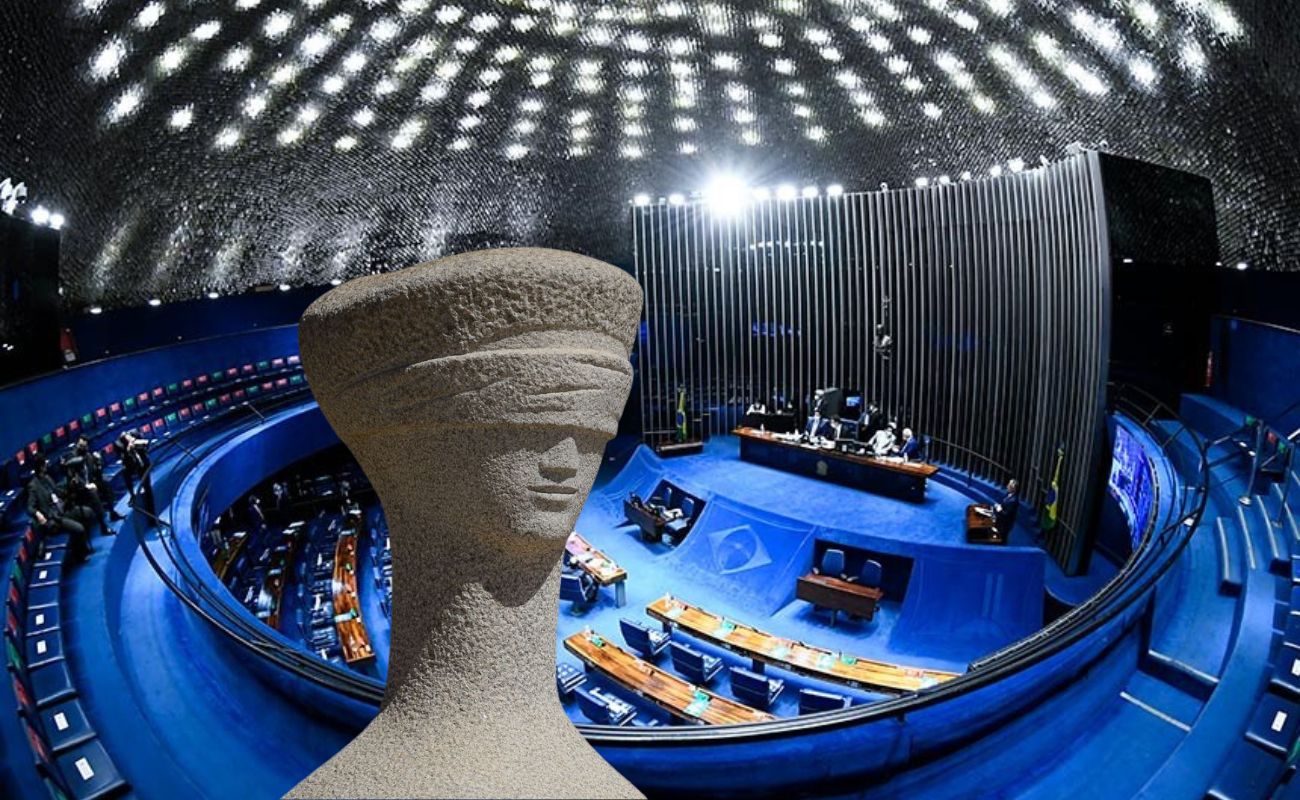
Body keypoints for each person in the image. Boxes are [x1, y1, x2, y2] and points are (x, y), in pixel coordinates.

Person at [26, 454, 93, 563]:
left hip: (63, 509)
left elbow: (58, 491)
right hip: (54, 518)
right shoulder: (33, 486)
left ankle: (83, 544)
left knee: (88, 513)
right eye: (45, 464)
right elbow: (30, 507)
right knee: (79, 529)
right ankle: (79, 554)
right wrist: (38, 513)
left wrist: (70, 486)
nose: (47, 465)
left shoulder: (47, 478)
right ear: (41, 467)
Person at [65, 435, 124, 534]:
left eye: (85, 446)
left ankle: (112, 513)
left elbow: (96, 474)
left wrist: (98, 463)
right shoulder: (72, 457)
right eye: (80, 445)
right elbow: (72, 477)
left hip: (91, 482)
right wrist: (85, 485)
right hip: (79, 488)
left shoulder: (88, 456)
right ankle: (103, 527)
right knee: (93, 493)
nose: (82, 448)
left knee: (105, 485)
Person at [116, 429, 154, 517]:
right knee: (125, 473)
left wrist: (137, 444)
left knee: (148, 488)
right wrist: (128, 449)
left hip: (143, 464)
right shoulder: (119, 444)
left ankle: (152, 515)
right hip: (132, 465)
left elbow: (146, 445)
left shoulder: (136, 434)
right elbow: (124, 459)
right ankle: (132, 495)